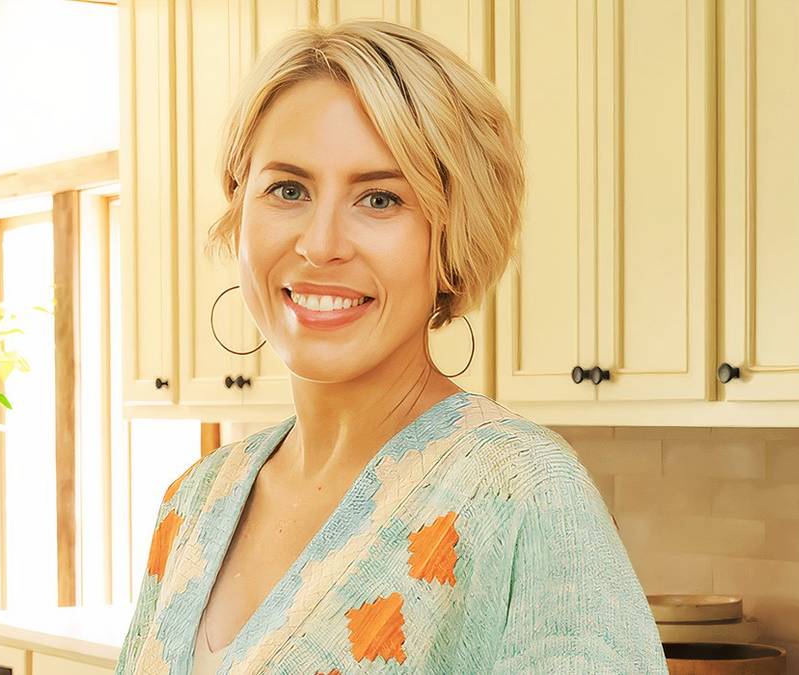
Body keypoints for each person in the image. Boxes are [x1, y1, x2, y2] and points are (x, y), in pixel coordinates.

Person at [115, 18, 666, 674]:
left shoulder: (520, 493)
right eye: (288, 189)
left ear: (454, 231)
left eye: (379, 198)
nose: (321, 243)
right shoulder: (194, 501)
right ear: (240, 213)